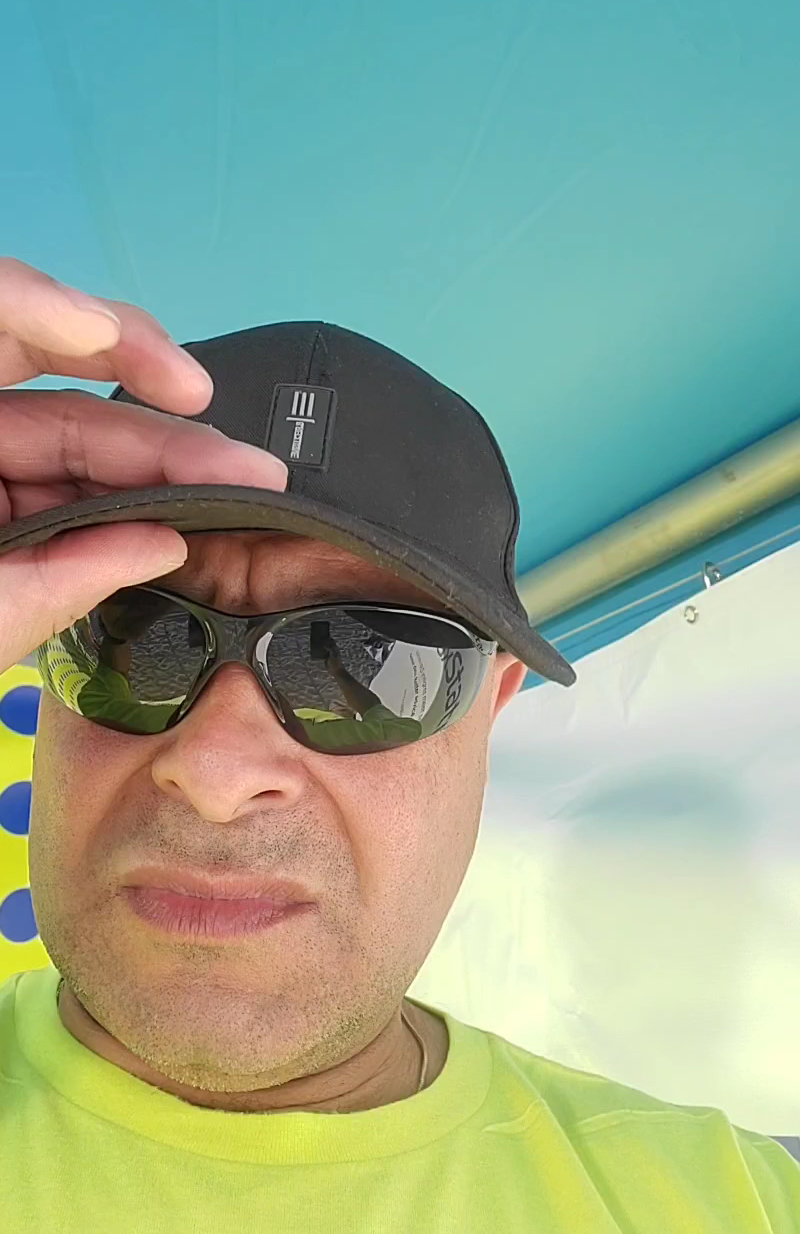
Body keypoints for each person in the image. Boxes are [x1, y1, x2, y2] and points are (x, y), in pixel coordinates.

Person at [0, 256, 797, 1234]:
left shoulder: (733, 1204)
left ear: (488, 713)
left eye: (362, 666)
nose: (215, 773)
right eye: (133, 640)